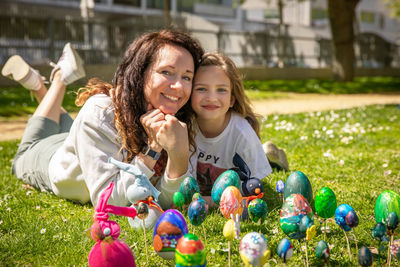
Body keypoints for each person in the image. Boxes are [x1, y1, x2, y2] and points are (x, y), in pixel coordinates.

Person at [2, 30, 204, 209]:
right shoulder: (101, 111)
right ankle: (56, 80)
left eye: (187, 77)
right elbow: (108, 200)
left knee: (74, 130)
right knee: (24, 152)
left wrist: (179, 155)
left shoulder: (182, 121)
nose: (179, 86)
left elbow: (167, 202)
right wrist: (152, 149)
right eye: (166, 72)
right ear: (140, 73)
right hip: (52, 159)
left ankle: (40, 85)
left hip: (84, 141)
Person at [188, 52, 274, 197]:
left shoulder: (242, 133)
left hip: (246, 159)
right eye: (201, 88)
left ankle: (273, 156)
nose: (211, 98)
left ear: (232, 100)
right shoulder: (185, 126)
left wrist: (211, 202)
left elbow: (253, 187)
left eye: (221, 89)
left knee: (265, 162)